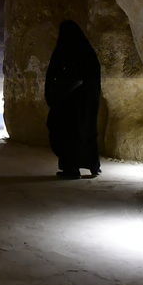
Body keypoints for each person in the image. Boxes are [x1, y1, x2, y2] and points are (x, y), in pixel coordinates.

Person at [44, 20, 101, 179]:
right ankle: (92, 165)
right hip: (86, 105)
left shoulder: (64, 52)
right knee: (85, 132)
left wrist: (58, 94)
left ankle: (71, 169)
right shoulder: (88, 53)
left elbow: (58, 75)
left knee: (66, 134)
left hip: (68, 104)